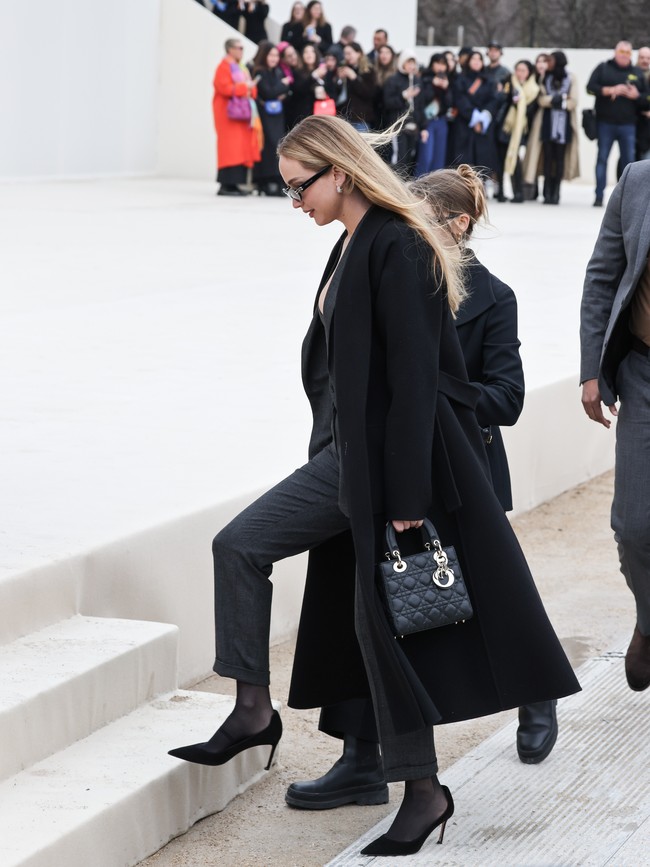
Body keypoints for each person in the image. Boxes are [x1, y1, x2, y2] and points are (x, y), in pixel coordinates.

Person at [168, 114, 580, 857]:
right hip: (348, 457)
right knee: (358, 619)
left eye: (300, 187)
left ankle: (329, 746)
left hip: (383, 469)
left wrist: (406, 502)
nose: (295, 202)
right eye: (289, 190)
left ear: (342, 172)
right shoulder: (352, 243)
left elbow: (419, 382)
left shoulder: (396, 244)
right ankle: (395, 779)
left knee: (255, 551)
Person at [284, 163, 561, 813]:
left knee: (488, 604)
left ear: (458, 225)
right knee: (368, 607)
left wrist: (430, 390)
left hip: (463, 473)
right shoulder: (387, 269)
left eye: (421, 217)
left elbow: (507, 396)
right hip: (384, 465)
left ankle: (535, 692)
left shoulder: (493, 297)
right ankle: (359, 754)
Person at [580, 160, 650, 693]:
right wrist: (591, 371)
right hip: (643, 371)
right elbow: (603, 275)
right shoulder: (637, 181)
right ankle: (649, 622)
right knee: (633, 525)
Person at [586, 41, 648, 207]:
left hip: (628, 126)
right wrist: (609, 90)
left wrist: (636, 96)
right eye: (621, 51)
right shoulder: (603, 68)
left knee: (629, 164)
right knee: (602, 159)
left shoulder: (636, 73)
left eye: (627, 52)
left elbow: (646, 100)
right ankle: (599, 196)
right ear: (615, 52)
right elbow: (590, 88)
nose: (624, 54)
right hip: (605, 123)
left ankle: (627, 199)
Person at [212, 38, 261, 196]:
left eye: (242, 48)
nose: (241, 51)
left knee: (240, 147)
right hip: (228, 114)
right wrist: (245, 87)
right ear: (230, 49)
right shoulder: (223, 66)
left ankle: (235, 183)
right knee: (229, 147)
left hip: (242, 114)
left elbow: (247, 88)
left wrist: (250, 88)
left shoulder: (241, 67)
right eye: (239, 48)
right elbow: (223, 87)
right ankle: (226, 184)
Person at [538, 50, 579, 205]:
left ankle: (556, 193)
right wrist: (558, 98)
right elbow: (541, 99)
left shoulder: (571, 77)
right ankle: (547, 193)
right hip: (548, 122)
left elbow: (573, 101)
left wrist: (559, 101)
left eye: (550, 60)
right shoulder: (545, 77)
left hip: (564, 124)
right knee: (548, 157)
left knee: (560, 158)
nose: (548, 63)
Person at [496, 60, 539, 202]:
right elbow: (500, 101)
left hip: (521, 130)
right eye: (518, 70)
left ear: (529, 73)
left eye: (523, 70)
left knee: (516, 161)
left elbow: (531, 111)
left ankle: (518, 192)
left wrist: (519, 104)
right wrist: (510, 99)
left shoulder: (533, 89)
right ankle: (501, 191)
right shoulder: (508, 83)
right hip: (506, 127)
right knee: (501, 160)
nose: (520, 73)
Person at [252, 43, 292, 195]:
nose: (274, 59)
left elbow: (285, 91)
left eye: (276, 55)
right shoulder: (259, 72)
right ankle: (265, 182)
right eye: (271, 55)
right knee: (267, 146)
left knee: (276, 145)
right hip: (264, 115)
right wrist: (281, 86)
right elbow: (268, 92)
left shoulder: (277, 71)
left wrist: (280, 88)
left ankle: (275, 180)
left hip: (277, 116)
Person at [452, 50, 499, 176]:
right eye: (473, 59)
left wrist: (484, 116)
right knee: (464, 161)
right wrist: (474, 117)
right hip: (465, 122)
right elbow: (460, 99)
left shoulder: (489, 80)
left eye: (479, 59)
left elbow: (493, 99)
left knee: (483, 160)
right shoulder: (460, 79)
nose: (476, 62)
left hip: (484, 125)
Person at [382, 52, 422, 175]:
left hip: (412, 124)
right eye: (408, 62)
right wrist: (404, 96)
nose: (411, 66)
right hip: (397, 124)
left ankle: (405, 184)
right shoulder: (393, 80)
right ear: (402, 63)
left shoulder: (416, 80)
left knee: (411, 156)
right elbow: (387, 103)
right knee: (399, 156)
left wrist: (422, 125)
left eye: (413, 62)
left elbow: (420, 105)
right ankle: (395, 183)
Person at [414, 53, 452, 176]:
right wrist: (433, 84)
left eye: (443, 64)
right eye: (438, 63)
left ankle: (436, 190)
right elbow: (422, 100)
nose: (440, 67)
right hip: (427, 121)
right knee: (426, 157)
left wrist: (445, 89)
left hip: (441, 120)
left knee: (439, 158)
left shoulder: (447, 79)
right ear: (432, 64)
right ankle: (418, 187)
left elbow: (449, 104)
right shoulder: (424, 78)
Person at [334, 42, 377, 131]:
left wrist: (354, 78)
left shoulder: (368, 70)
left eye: (349, 53)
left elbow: (368, 93)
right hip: (344, 117)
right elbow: (337, 93)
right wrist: (339, 80)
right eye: (345, 54)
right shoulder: (342, 67)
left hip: (361, 118)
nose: (347, 57)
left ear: (359, 53)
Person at [635, 46, 650, 160]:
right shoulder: (630, 73)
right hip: (632, 123)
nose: (645, 60)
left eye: (648, 58)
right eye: (642, 57)